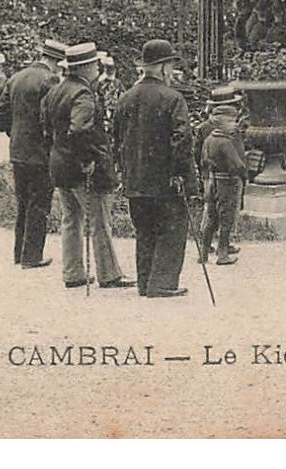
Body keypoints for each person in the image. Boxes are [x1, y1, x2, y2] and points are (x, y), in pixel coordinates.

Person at [112, 39, 200, 298]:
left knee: (145, 231)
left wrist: (124, 171)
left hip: (135, 180)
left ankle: (145, 282)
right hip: (166, 181)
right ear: (162, 68)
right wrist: (181, 174)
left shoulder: (125, 99)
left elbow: (116, 138)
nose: (171, 72)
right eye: (170, 66)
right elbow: (182, 139)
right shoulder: (173, 99)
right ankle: (162, 283)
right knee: (172, 229)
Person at [44, 41, 131, 290]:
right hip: (82, 168)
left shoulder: (56, 90)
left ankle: (73, 273)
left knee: (71, 219)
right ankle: (109, 273)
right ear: (86, 68)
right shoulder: (83, 94)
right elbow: (80, 129)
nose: (97, 69)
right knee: (99, 220)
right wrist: (87, 160)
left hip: (59, 165)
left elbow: (46, 126)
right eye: (95, 65)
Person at [0, 39, 66, 269]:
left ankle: (20, 253)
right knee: (39, 203)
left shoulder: (16, 77)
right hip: (40, 152)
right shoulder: (50, 80)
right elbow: (52, 117)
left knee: (23, 202)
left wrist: (13, 132)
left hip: (17, 150)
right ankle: (32, 256)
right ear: (55, 62)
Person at [199, 90, 256, 266]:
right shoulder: (225, 142)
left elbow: (203, 157)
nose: (234, 124)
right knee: (227, 218)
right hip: (229, 182)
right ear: (223, 123)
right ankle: (223, 253)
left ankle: (204, 253)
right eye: (232, 121)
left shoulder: (210, 139)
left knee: (212, 217)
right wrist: (247, 170)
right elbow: (237, 165)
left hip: (215, 179)